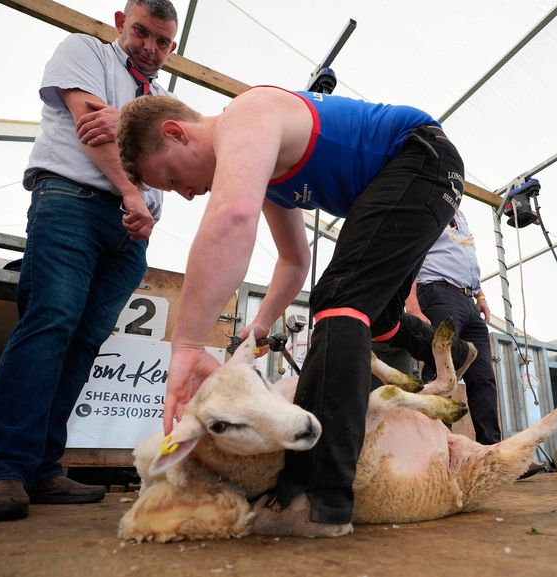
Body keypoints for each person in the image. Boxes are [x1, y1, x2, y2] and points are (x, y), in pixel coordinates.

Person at [116, 86, 473, 537]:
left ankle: (316, 497)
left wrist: (186, 343)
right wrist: (259, 326)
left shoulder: (245, 115)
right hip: (425, 172)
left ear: (176, 133)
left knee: (339, 300)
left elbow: (231, 217)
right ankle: (452, 352)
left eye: (170, 177)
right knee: (375, 316)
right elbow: (293, 260)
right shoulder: (264, 172)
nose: (184, 195)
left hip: (420, 158)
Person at [0, 0, 178, 522]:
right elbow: (89, 126)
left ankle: (40, 466)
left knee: (84, 341)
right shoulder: (84, 51)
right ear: (121, 22)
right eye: (143, 33)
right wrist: (131, 190)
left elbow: (167, 162)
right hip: (73, 202)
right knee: (51, 321)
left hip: (130, 230)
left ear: (173, 47)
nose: (151, 48)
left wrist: (125, 127)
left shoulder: (164, 98)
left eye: (163, 42)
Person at [405, 209, 502, 445]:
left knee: (483, 378)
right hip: (437, 291)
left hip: (467, 299)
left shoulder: (460, 215)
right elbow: (409, 254)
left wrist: (480, 297)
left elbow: (464, 258)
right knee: (440, 374)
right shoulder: (426, 204)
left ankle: (492, 451)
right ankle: (437, 451)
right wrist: (414, 308)